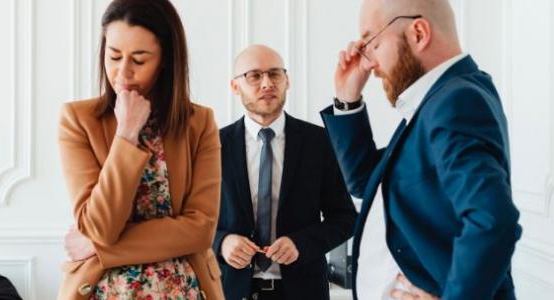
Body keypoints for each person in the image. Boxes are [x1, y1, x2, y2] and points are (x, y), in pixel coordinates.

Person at [320, 0, 522, 299]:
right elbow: (366, 181)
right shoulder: (437, 103)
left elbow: (492, 221)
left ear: (418, 33)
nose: (369, 62)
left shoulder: (456, 101)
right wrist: (347, 98)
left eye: (371, 43)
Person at [57, 0, 223, 299]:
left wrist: (99, 247)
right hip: (104, 291)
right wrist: (126, 133)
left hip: (184, 289)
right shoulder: (78, 121)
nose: (123, 73)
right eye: (114, 56)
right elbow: (101, 226)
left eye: (139, 59)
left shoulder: (199, 123)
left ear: (165, 60)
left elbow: (200, 229)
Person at [214, 45, 356, 300]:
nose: (267, 83)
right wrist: (222, 243)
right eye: (254, 76)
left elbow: (345, 219)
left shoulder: (320, 142)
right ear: (235, 86)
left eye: (275, 74)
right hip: (230, 291)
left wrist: (301, 244)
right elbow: (192, 220)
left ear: (287, 81)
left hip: (304, 291)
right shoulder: (213, 146)